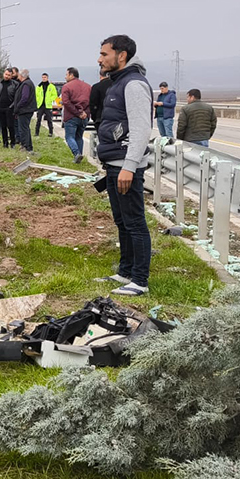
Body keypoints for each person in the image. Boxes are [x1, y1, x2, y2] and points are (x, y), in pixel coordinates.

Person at [97, 34, 153, 296]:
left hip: (125, 166)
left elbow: (142, 128)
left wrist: (129, 166)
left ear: (122, 56)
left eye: (105, 54)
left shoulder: (133, 85)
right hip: (114, 164)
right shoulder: (119, 83)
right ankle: (125, 271)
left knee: (135, 222)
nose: (100, 59)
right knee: (122, 221)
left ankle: (140, 281)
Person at [59, 67, 91, 163]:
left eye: (66, 75)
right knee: (79, 137)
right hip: (84, 116)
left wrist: (77, 113)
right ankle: (79, 158)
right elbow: (91, 102)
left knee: (69, 137)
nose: (65, 77)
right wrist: (85, 113)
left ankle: (77, 154)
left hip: (71, 116)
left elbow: (66, 102)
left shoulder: (67, 86)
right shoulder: (88, 86)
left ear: (71, 75)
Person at [14, 68, 35, 150]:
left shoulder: (26, 84)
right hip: (27, 110)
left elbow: (24, 98)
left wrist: (18, 106)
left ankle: (25, 146)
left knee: (23, 129)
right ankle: (28, 146)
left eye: (19, 74)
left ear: (22, 75)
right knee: (25, 128)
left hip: (24, 110)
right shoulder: (27, 83)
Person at [0, 68, 17, 148]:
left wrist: (11, 107)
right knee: (3, 126)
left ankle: (13, 142)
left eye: (9, 75)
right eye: (6, 74)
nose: (7, 76)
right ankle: (5, 143)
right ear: (3, 74)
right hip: (0, 108)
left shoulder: (14, 84)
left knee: (10, 126)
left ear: (11, 76)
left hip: (10, 108)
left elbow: (16, 98)